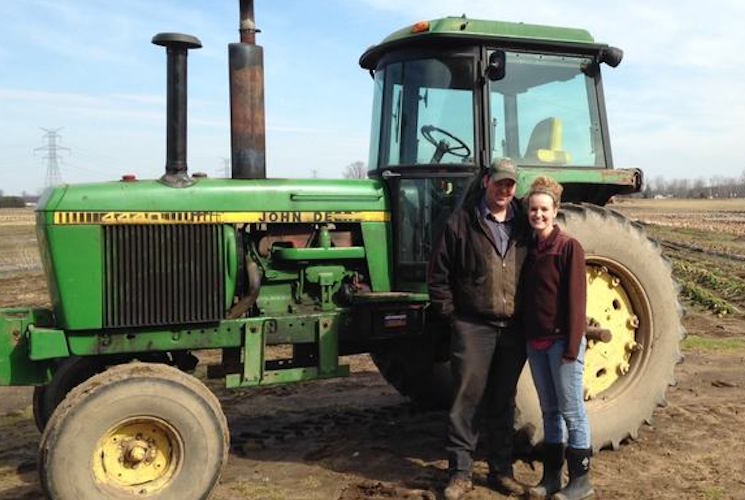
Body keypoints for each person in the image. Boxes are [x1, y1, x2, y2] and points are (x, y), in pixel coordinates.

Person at [428, 158, 528, 500]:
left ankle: (502, 471)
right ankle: (460, 472)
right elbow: (438, 275)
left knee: (503, 400)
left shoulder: (525, 224)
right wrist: (453, 317)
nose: (505, 189)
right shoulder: (461, 222)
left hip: (513, 327)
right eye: (499, 182)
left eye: (510, 184)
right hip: (474, 324)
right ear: (486, 181)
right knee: (466, 398)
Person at [520, 176, 593, 500]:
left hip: (563, 344)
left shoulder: (568, 247)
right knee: (549, 411)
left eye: (544, 209)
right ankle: (552, 477)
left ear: (556, 210)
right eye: (534, 209)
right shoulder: (530, 249)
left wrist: (573, 348)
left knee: (572, 411)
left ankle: (581, 482)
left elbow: (577, 303)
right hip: (536, 345)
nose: (538, 215)